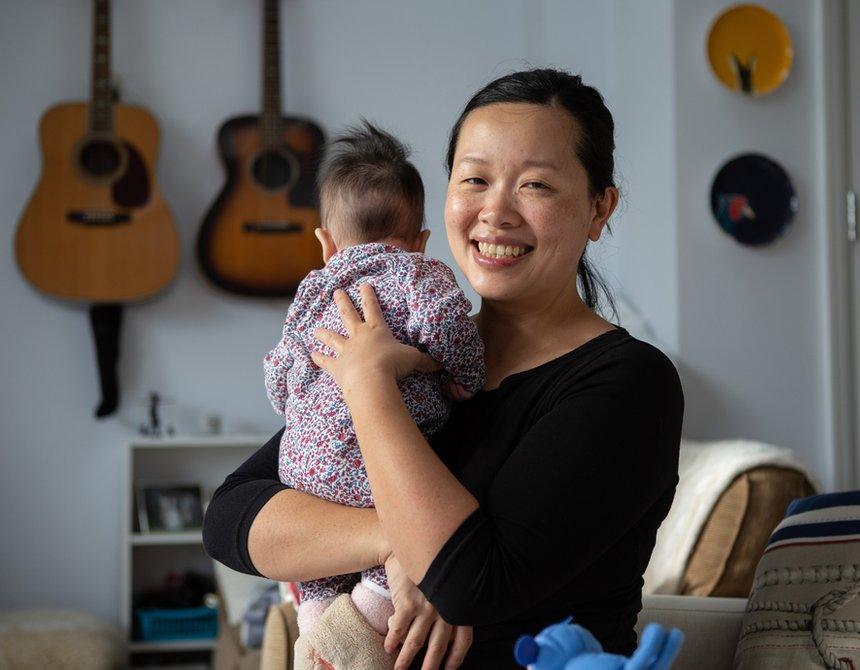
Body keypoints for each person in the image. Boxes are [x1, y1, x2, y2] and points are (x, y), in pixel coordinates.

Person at [203, 68, 683, 670]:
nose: (495, 212)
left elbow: (471, 582)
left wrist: (369, 385)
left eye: (535, 185)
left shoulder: (629, 383)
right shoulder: (400, 343)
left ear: (598, 207)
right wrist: (393, 544)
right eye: (475, 179)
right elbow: (232, 518)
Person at [262, 122, 485, 650]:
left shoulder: (315, 287)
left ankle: (315, 629)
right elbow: (450, 325)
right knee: (394, 530)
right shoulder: (418, 275)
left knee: (322, 557)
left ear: (325, 242)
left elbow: (281, 366)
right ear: (422, 241)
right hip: (374, 466)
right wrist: (460, 376)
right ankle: (359, 630)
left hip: (303, 464)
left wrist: (295, 407)